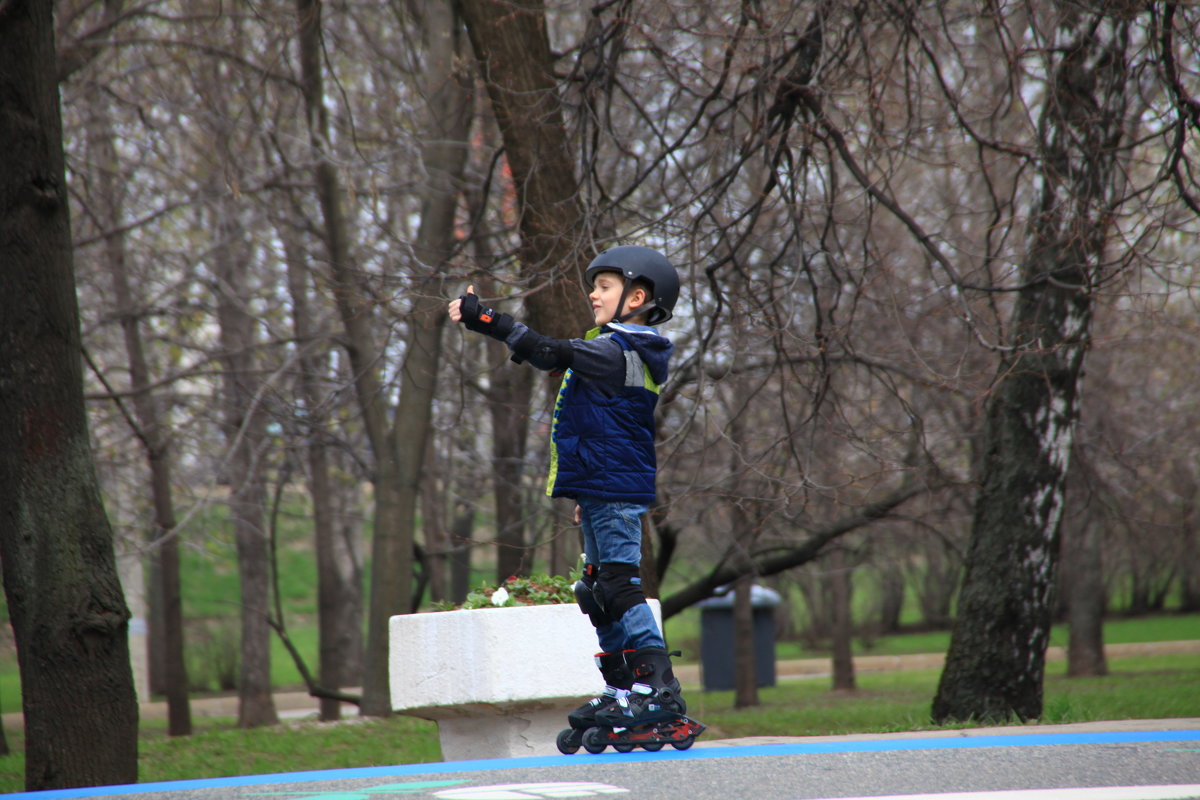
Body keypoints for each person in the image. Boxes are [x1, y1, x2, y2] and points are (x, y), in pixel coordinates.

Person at [448, 245, 687, 740]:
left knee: (620, 585)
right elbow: (600, 428)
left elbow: (549, 351)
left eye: (604, 286)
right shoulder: (614, 349)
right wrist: (584, 489)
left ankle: (657, 690)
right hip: (601, 488)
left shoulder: (625, 348)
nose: (593, 294)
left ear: (637, 296)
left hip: (616, 490)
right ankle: (623, 690)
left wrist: (488, 319)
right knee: (595, 590)